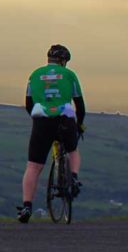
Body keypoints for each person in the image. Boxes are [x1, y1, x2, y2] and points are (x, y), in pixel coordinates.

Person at [17, 44, 86, 223]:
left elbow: (28, 104)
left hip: (42, 121)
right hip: (65, 118)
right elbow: (80, 105)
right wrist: (79, 125)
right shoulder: (70, 75)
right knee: (72, 150)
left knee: (33, 166)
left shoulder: (35, 75)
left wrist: (38, 119)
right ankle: (75, 178)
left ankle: (26, 206)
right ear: (63, 61)